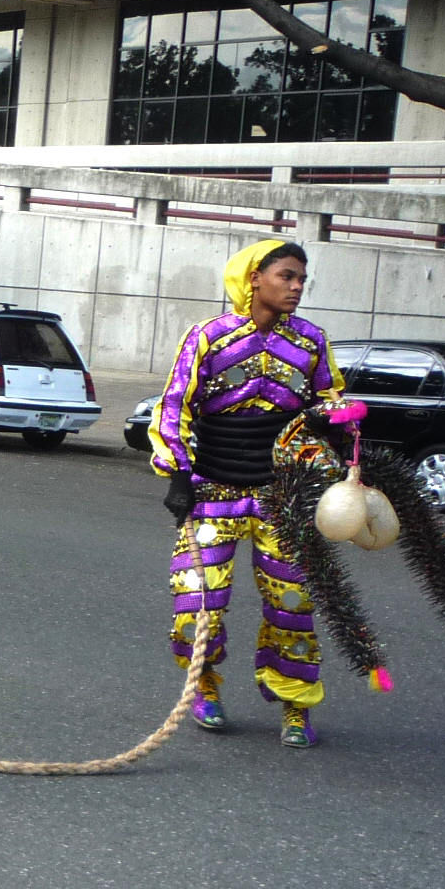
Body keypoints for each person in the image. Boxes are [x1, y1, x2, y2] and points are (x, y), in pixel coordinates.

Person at [150, 240, 343, 749]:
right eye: (287, 276)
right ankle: (205, 687)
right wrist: (176, 475)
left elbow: (329, 402)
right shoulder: (208, 338)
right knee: (197, 602)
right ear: (255, 277)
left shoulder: (311, 342)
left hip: (283, 499)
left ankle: (296, 705)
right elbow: (175, 406)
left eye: (303, 279)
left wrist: (337, 425)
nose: (297, 287)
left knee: (293, 604)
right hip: (211, 492)